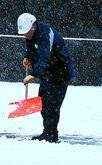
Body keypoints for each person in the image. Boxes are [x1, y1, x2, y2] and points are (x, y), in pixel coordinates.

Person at [17, 12, 75, 143]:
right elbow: (31, 49)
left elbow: (44, 56)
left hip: (61, 72)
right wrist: (28, 58)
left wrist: (33, 74)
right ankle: (46, 132)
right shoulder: (31, 35)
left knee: (53, 105)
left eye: (27, 32)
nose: (26, 35)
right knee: (43, 102)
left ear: (33, 26)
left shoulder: (45, 33)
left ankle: (52, 135)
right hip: (48, 73)